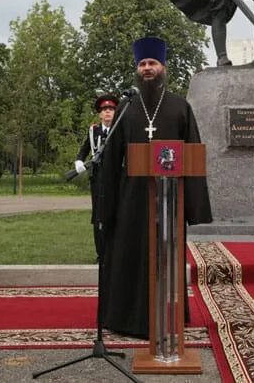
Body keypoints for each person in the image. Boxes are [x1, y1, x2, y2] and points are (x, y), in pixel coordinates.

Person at [99, 36, 213, 339]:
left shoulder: (180, 106)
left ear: (163, 67)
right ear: (137, 69)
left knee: (167, 259)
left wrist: (194, 207)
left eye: (152, 63)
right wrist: (105, 206)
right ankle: (127, 319)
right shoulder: (126, 107)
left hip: (169, 199)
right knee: (130, 256)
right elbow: (111, 159)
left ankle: (169, 318)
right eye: (142, 63)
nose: (147, 68)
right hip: (131, 199)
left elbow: (192, 152)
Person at [74, 93, 119, 256]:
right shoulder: (93, 130)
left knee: (116, 214)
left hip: (116, 177)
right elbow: (85, 149)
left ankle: (115, 252)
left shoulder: (119, 129)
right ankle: (101, 253)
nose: (108, 112)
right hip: (98, 178)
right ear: (99, 113)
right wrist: (79, 160)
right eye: (104, 109)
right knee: (98, 215)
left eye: (111, 109)